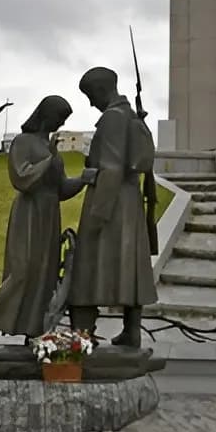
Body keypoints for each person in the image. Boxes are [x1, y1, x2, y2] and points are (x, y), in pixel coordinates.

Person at [0, 95, 85, 348]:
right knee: (22, 270)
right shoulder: (23, 142)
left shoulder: (50, 146)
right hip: (29, 213)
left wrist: (83, 179)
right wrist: (48, 159)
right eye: (59, 117)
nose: (60, 123)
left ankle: (33, 329)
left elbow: (60, 188)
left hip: (49, 213)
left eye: (64, 120)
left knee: (45, 273)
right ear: (46, 115)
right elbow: (21, 177)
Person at [67, 67, 158, 347]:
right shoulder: (131, 115)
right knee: (130, 266)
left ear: (100, 90)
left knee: (86, 268)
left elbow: (111, 167)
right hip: (128, 202)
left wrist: (98, 214)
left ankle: (82, 335)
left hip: (112, 201)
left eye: (90, 96)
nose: (90, 103)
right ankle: (132, 330)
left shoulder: (112, 118)